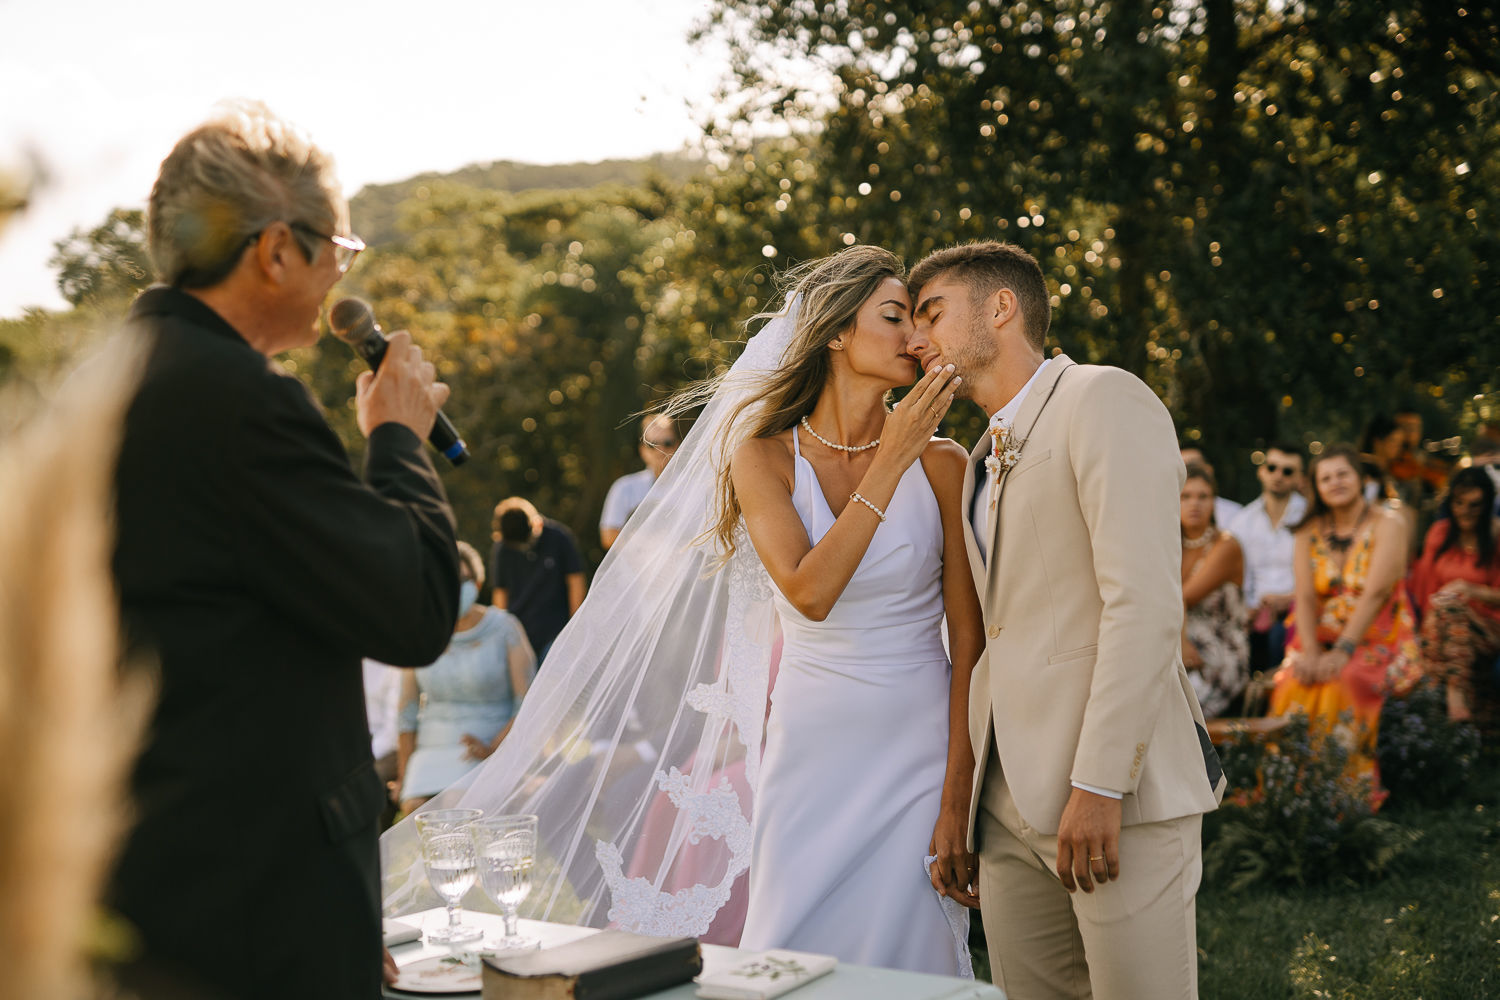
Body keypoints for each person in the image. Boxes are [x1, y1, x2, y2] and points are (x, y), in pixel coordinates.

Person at [381, 246, 979, 978]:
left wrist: (958, 796)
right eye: (895, 317)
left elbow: (969, 645)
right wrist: (889, 461)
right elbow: (809, 592)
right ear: (834, 333)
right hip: (811, 745)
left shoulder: (944, 465)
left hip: (919, 745)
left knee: (914, 957)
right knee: (792, 953)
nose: (917, 338)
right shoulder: (762, 456)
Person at [108, 102, 459, 1000]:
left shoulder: (109, 378)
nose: (341, 272)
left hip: (148, 879)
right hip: (255, 905)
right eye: (338, 248)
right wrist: (399, 438)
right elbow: (415, 608)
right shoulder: (239, 401)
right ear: (275, 251)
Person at [905, 240, 1224, 1000]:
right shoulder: (977, 456)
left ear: (1001, 308)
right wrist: (973, 803)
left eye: (931, 314)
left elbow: (1143, 605)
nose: (915, 339)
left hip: (1114, 795)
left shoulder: (1102, 397)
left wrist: (1100, 782)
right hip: (1006, 803)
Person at [1269, 444, 1418, 801]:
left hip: (1377, 635)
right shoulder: (1307, 531)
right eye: (1326, 478)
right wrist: (1310, 652)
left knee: (1344, 679)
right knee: (1292, 680)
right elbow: (1305, 598)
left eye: (1343, 474)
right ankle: (1287, 792)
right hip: (1318, 637)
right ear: (1316, 487)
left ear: (1361, 478)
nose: (1335, 482)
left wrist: (1342, 651)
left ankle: (1343, 794)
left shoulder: (1389, 523)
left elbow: (1377, 593)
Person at [396, 541, 535, 813]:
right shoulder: (421, 631)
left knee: (455, 805)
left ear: (478, 582)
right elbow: (406, 711)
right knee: (415, 810)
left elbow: (528, 702)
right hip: (431, 752)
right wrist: (404, 775)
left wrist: (493, 747)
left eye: (462, 579)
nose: (454, 587)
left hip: (486, 747)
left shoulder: (505, 628)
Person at [1408, 467, 1500, 730]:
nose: (1465, 511)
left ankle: (1446, 703)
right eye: (1459, 503)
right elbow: (1425, 587)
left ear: (1487, 504)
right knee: (1446, 616)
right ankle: (1467, 714)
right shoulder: (1441, 532)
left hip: (1490, 625)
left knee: (1451, 610)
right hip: (1444, 624)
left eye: (1474, 504)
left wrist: (1471, 590)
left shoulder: (1496, 535)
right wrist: (1427, 626)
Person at [1229, 445, 1308, 677]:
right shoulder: (1243, 520)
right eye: (1272, 468)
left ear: (1300, 479)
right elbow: (1238, 573)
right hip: (1251, 610)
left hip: (1296, 607)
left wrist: (1288, 599)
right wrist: (1246, 608)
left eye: (1288, 471)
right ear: (1261, 471)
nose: (1278, 475)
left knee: (1279, 635)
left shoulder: (1309, 518)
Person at [1179, 465, 1250, 718]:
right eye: (1185, 496)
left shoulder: (1226, 545)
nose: (1194, 504)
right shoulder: (1169, 544)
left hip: (1219, 650)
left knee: (1179, 713)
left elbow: (1182, 597)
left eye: (1203, 496)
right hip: (1175, 643)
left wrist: (1182, 644)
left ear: (1214, 502)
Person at [489, 496, 586, 663]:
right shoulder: (503, 547)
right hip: (519, 634)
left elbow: (575, 581)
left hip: (555, 632)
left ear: (537, 524)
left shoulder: (559, 538)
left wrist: (574, 626)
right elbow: (500, 593)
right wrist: (499, 634)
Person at [599, 413, 678, 548]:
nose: (660, 450)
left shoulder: (693, 487)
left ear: (677, 445)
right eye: (652, 444)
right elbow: (608, 536)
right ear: (642, 450)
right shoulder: (624, 487)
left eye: (667, 443)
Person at [1180, 446, 1243, 528]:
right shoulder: (1165, 514)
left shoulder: (1236, 514)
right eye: (1185, 496)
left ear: (1209, 469)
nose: (1194, 504)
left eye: (1193, 466)